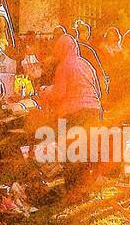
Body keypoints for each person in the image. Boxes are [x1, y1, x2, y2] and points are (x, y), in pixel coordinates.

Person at [38, 32, 104, 198]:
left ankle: (73, 190)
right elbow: (98, 88)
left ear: (61, 49)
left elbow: (60, 93)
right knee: (87, 150)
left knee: (72, 151)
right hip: (94, 110)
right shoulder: (85, 64)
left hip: (74, 112)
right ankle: (85, 187)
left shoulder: (64, 66)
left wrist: (45, 92)